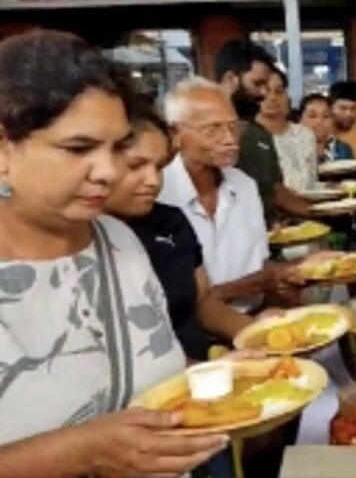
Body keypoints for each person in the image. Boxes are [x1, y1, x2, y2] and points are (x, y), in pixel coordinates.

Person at [0, 30, 225, 477]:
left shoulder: (118, 239)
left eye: (118, 147)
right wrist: (80, 452)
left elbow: (149, 372)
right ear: (4, 148)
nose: (107, 171)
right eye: (78, 148)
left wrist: (215, 378)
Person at [105, 99, 255, 361]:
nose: (153, 181)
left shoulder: (171, 222)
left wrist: (260, 334)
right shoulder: (81, 240)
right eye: (135, 166)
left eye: (159, 167)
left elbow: (203, 302)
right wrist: (204, 372)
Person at [158, 77, 297, 314]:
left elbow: (259, 264)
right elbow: (173, 299)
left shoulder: (244, 186)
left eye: (233, 127)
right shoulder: (158, 195)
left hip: (257, 318)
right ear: (175, 134)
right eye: (212, 129)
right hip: (191, 331)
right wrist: (260, 281)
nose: (230, 140)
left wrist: (290, 277)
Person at [215, 40, 309, 222]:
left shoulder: (259, 134)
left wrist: (320, 212)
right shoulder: (202, 135)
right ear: (230, 79)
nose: (264, 93)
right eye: (257, 84)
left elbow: (275, 190)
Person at [257, 68, 318, 193]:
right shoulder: (250, 137)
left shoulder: (305, 134)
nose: (273, 97)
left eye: (279, 91)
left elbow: (312, 181)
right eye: (266, 92)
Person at [299, 93, 356, 164]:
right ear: (300, 119)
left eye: (325, 116)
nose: (319, 122)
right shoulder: (291, 149)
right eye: (312, 116)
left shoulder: (342, 149)